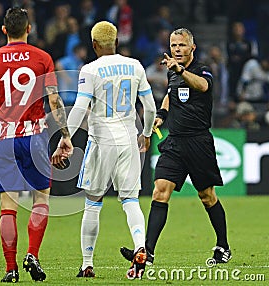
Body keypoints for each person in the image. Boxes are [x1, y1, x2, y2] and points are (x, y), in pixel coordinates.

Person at [0, 7, 73, 283]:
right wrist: (65, 134)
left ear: (4, 30)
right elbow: (54, 100)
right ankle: (33, 254)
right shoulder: (42, 58)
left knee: (8, 205)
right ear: (29, 29)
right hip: (35, 136)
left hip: (4, 138)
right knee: (41, 198)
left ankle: (10, 268)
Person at [120, 28, 232, 265]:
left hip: (198, 142)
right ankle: (147, 253)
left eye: (181, 45)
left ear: (192, 47)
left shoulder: (201, 70)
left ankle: (223, 246)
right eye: (173, 45)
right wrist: (161, 115)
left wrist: (179, 70)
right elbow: (171, 94)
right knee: (160, 190)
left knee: (207, 195)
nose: (177, 50)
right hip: (175, 142)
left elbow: (202, 86)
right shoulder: (173, 72)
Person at [57, 21, 156, 279]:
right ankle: (141, 247)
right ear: (116, 42)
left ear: (94, 45)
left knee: (93, 203)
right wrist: (145, 135)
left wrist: (65, 136)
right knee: (131, 201)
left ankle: (87, 264)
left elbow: (80, 107)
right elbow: (150, 107)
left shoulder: (89, 69)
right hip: (129, 139)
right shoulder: (135, 66)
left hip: (101, 139)